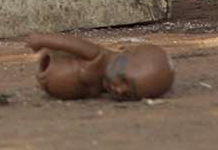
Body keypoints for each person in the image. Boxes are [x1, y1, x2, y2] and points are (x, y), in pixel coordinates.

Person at [26, 31, 175, 101]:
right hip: (51, 63)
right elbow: (68, 43)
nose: (120, 90)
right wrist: (42, 40)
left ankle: (46, 85)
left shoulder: (105, 83)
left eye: (128, 95)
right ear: (127, 51)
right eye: (123, 79)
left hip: (48, 80)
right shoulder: (97, 56)